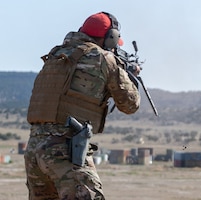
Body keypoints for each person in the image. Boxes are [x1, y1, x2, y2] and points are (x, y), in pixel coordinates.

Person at [24, 11, 140, 200]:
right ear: (110, 38)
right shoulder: (104, 59)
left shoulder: (56, 55)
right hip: (66, 149)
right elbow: (130, 105)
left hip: (35, 151)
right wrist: (128, 76)